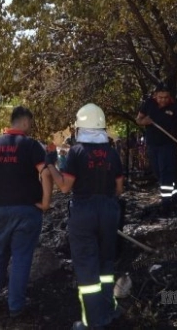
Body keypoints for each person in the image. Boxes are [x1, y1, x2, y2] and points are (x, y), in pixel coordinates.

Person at [45, 103, 124, 330]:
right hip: (109, 210)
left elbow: (64, 187)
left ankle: (93, 321)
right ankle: (109, 310)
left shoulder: (76, 152)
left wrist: (50, 165)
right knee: (106, 262)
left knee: (87, 266)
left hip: (83, 212)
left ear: (81, 127)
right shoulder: (112, 153)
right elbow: (119, 187)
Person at [0, 106, 52, 317]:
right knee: (21, 258)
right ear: (24, 122)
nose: (30, 127)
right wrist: (46, 202)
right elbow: (46, 174)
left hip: (0, 210)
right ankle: (16, 307)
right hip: (27, 210)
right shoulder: (31, 145)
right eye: (29, 123)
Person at [136, 85, 177, 210]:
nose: (163, 100)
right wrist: (145, 121)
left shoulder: (176, 107)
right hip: (152, 144)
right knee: (157, 171)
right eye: (160, 97)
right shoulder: (149, 104)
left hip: (168, 144)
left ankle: (166, 201)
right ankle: (175, 194)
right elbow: (138, 119)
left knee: (165, 171)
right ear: (155, 96)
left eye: (166, 97)